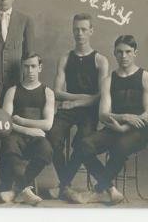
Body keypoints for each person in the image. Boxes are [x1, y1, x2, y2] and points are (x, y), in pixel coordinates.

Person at [68, 35, 148, 204]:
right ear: (114, 53)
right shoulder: (109, 80)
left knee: (120, 146)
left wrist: (126, 127)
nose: (124, 56)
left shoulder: (146, 78)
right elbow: (103, 114)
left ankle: (98, 189)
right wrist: (123, 117)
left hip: (137, 132)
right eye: (120, 52)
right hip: (112, 127)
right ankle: (109, 188)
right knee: (82, 145)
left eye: (128, 52)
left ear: (135, 53)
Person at [46, 13, 109, 201]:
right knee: (51, 137)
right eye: (76, 29)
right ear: (72, 31)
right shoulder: (65, 58)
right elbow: (56, 92)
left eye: (83, 29)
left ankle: (64, 184)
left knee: (82, 143)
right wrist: (78, 99)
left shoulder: (100, 60)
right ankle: (65, 185)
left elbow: (101, 95)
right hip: (68, 109)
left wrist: (79, 102)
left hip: (89, 112)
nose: (79, 33)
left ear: (91, 31)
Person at [0, 53, 54, 205]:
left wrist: (21, 120)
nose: (30, 70)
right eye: (26, 66)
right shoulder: (13, 91)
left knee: (46, 150)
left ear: (40, 68)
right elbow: (5, 123)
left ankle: (18, 188)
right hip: (15, 136)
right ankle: (25, 190)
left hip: (36, 139)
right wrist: (27, 130)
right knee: (9, 145)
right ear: (22, 68)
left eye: (33, 66)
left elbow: (47, 125)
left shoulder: (47, 92)